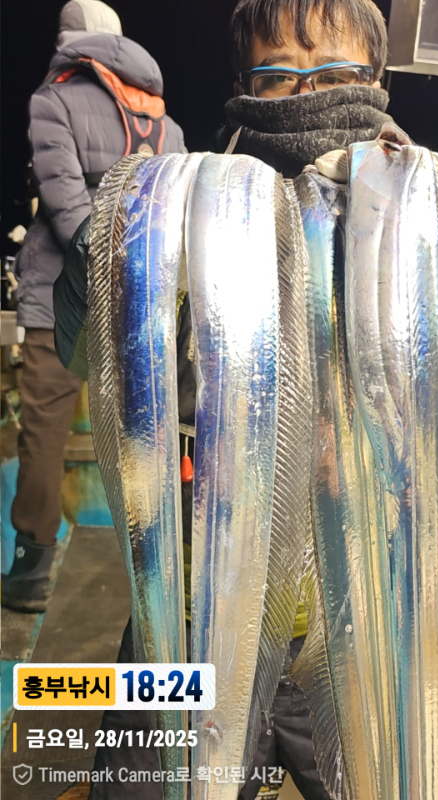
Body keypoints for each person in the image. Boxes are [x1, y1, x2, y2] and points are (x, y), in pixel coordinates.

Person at [53, 0, 438, 797]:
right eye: (278, 76)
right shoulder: (190, 204)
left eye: (335, 73)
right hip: (196, 612)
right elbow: (82, 345)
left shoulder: (420, 205)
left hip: (373, 618)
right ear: (243, 87)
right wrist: (119, 245)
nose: (307, 94)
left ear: (377, 80)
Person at [2, 0, 185, 614]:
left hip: (58, 297)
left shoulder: (52, 100)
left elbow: (64, 204)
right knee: (144, 433)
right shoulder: (163, 119)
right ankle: (154, 566)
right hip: (138, 300)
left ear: (68, 40)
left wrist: (96, 269)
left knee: (45, 433)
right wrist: (132, 278)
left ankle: (32, 569)